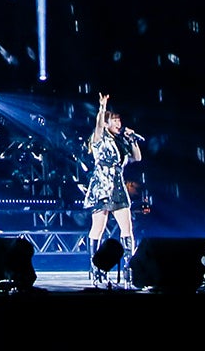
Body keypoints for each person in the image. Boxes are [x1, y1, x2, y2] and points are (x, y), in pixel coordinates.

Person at [84, 92, 143, 274]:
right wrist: (102, 107)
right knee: (98, 228)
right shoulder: (99, 138)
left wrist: (132, 140)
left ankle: (129, 267)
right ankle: (95, 267)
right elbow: (98, 125)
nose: (119, 123)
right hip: (102, 186)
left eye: (119, 120)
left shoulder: (120, 142)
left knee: (127, 227)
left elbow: (137, 158)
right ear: (107, 123)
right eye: (115, 120)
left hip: (118, 186)